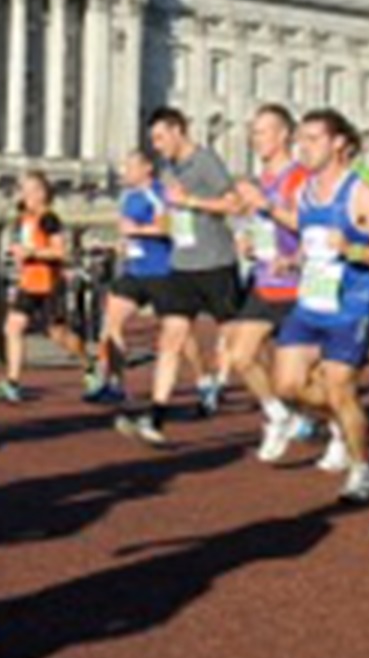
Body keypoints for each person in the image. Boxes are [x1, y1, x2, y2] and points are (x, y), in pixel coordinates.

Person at [267, 110, 369, 505]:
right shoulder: (304, 192)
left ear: (339, 143)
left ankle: (362, 470)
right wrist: (294, 259)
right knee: (285, 385)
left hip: (349, 307)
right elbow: (310, 238)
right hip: (310, 302)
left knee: (339, 387)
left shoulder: (359, 191)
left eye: (314, 138)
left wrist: (353, 248)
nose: (304, 146)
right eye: (301, 139)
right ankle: (352, 415)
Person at [116, 108, 243, 446]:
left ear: (178, 131)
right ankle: (156, 417)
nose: (156, 147)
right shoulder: (169, 169)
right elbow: (175, 216)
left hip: (216, 263)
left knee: (243, 345)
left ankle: (282, 405)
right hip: (183, 264)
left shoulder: (206, 161)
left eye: (159, 138)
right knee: (170, 340)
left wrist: (190, 200)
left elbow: (233, 204)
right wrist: (155, 227)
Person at [229, 105, 310, 461]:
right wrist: (246, 241)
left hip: (298, 284)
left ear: (283, 136)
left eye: (262, 131)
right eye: (253, 131)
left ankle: (341, 429)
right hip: (264, 281)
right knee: (240, 355)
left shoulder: (299, 178)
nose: (255, 138)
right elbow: (256, 224)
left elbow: (309, 225)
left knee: (306, 379)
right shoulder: (259, 180)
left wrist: (269, 209)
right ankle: (277, 415)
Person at [0, 172, 90, 401]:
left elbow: (61, 251)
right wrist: (19, 255)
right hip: (28, 284)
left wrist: (31, 253)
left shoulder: (48, 218)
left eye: (31, 190)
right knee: (13, 327)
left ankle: (90, 364)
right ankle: (12, 382)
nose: (25, 195)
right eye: (23, 189)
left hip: (48, 285)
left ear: (43, 194)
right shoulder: (25, 218)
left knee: (58, 334)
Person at [87, 148, 172, 405]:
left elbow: (171, 227)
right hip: (135, 271)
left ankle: (205, 380)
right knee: (111, 323)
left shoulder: (160, 194)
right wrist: (124, 244)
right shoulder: (128, 197)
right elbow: (129, 231)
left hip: (161, 272)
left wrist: (140, 230)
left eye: (131, 166)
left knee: (178, 335)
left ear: (147, 168)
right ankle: (115, 384)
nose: (126, 171)